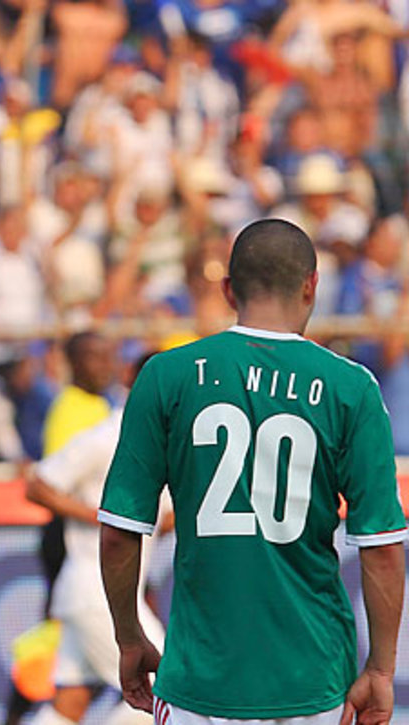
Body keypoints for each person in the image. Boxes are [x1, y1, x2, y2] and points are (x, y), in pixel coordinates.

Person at [100, 219, 406, 725]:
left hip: (198, 681)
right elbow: (383, 549)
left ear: (227, 289)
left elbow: (119, 533)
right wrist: (380, 667)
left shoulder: (166, 375)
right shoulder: (351, 387)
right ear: (311, 285)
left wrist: (129, 636)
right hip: (312, 679)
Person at [25, 354, 165, 725]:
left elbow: (158, 520)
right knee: (166, 692)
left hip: (106, 590)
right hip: (94, 587)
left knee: (69, 705)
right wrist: (100, 517)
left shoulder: (162, 440)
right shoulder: (108, 436)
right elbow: (38, 484)